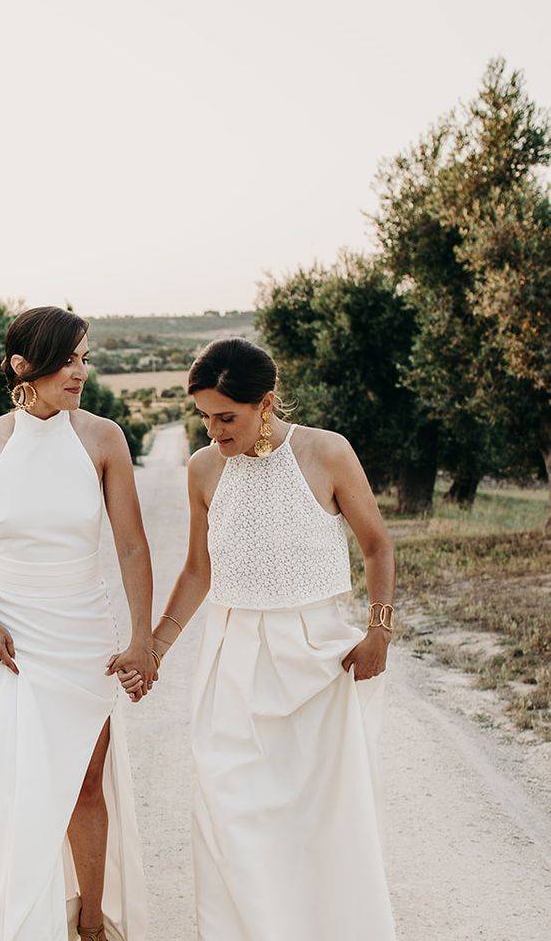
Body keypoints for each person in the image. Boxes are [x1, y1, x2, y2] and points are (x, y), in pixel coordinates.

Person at [136, 337, 396, 941]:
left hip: (316, 658)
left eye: (225, 417)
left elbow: (377, 544)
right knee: (229, 813)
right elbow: (199, 571)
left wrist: (379, 629)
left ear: (266, 402)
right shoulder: (203, 468)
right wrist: (156, 647)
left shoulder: (327, 453)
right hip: (233, 658)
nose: (213, 430)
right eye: (203, 416)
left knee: (318, 822)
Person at [0, 306, 155, 941]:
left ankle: (90, 924)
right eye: (67, 360)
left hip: (84, 630)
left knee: (87, 781)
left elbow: (131, 545)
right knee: (26, 783)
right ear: (23, 366)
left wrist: (143, 637)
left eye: (83, 358)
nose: (80, 371)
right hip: (14, 635)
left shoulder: (103, 438)